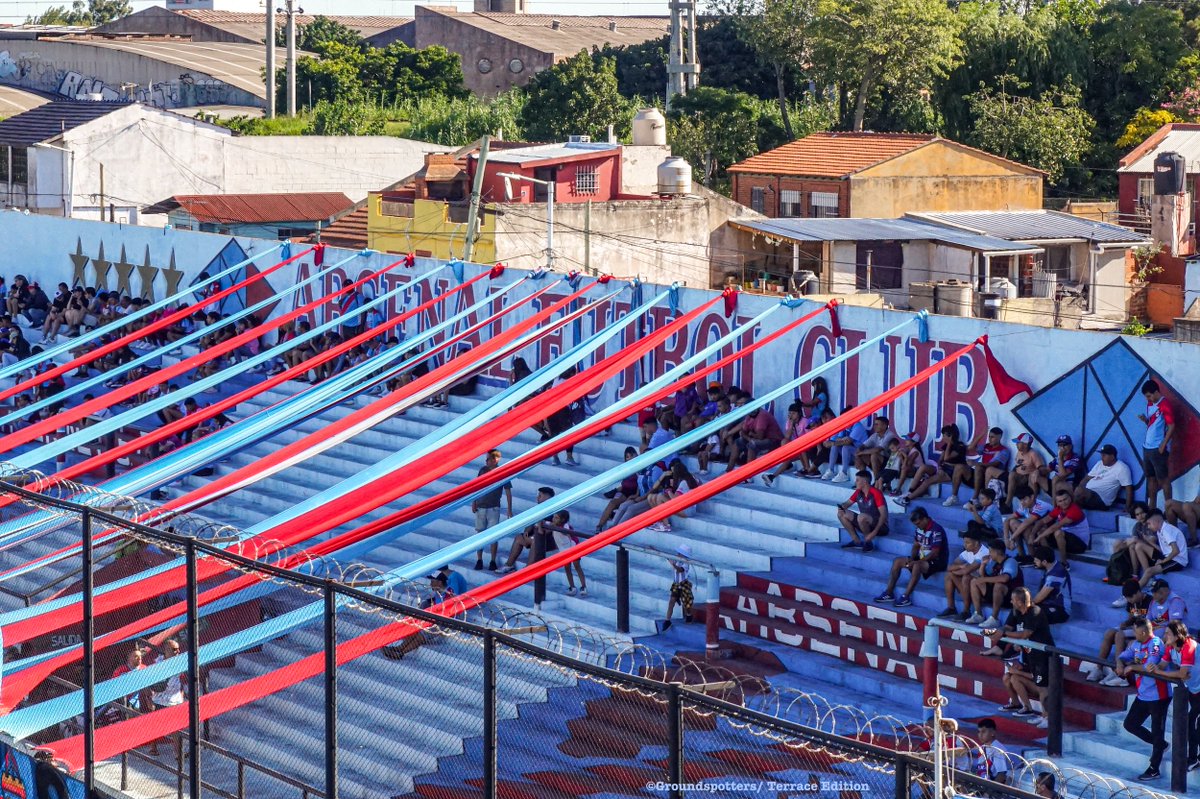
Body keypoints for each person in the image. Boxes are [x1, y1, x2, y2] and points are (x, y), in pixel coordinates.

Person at [1116, 617, 1172, 781]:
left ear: (1142, 631)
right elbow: (1122, 656)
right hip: (1143, 694)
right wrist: (1120, 663)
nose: (1133, 634)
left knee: (1157, 731)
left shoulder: (1155, 644)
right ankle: (1161, 744)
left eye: (1135, 631)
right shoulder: (1136, 644)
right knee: (1130, 724)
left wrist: (1132, 666)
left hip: (1159, 696)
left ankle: (1154, 768)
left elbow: (1151, 666)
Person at [989, 586, 1053, 728]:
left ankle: (1048, 717)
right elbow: (1017, 634)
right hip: (1032, 655)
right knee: (1039, 686)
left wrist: (1004, 635)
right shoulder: (1019, 614)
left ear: (1019, 601)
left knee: (1043, 688)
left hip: (1043, 657)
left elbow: (1025, 634)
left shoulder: (1035, 612)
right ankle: (1043, 715)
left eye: (1013, 600)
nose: (1011, 602)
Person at [1152, 619, 1200, 772]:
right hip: (1194, 688)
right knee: (1193, 723)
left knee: (1191, 721)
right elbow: (1162, 666)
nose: (1165, 636)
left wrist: (1160, 672)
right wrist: (1155, 666)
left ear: (1177, 635)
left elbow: (1182, 673)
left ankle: (1193, 759)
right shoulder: (1170, 647)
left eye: (1168, 633)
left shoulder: (1189, 646)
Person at [874, 508, 946, 607]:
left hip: (937, 561)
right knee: (897, 561)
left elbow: (935, 553)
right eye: (916, 524)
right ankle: (889, 592)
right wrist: (912, 558)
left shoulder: (936, 530)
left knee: (916, 565)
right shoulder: (919, 529)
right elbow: (916, 545)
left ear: (925, 519)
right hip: (922, 558)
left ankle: (906, 597)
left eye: (918, 523)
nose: (917, 526)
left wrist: (917, 561)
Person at [1086, 579, 1152, 687]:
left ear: (1138, 592)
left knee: (1119, 635)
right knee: (1109, 633)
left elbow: (1149, 624)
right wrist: (1125, 623)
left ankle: (1119, 671)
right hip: (1133, 628)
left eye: (1131, 597)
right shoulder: (1132, 603)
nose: (1129, 600)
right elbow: (1131, 618)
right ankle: (1099, 668)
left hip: (1143, 631)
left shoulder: (1150, 602)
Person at [895, 425, 967, 507]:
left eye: (944, 435)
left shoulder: (960, 446)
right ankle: (910, 492)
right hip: (943, 469)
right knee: (924, 472)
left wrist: (950, 443)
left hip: (952, 472)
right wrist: (940, 467)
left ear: (950, 436)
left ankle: (907, 499)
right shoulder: (946, 446)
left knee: (927, 482)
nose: (943, 437)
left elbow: (947, 458)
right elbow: (940, 460)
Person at [472, 449, 512, 572]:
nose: (486, 461)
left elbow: (508, 491)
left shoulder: (502, 472)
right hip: (481, 506)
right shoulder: (483, 470)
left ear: (495, 460)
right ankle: (479, 559)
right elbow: (476, 486)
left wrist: (509, 509)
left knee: (493, 536)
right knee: (480, 534)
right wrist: (474, 502)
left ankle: (492, 560)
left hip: (494, 507)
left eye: (488, 459)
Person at [966, 539, 1021, 628]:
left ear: (997, 552)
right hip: (995, 595)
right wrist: (983, 564)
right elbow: (982, 576)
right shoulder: (993, 562)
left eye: (990, 551)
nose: (989, 554)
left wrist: (984, 579)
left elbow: (1004, 578)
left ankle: (994, 618)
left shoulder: (1011, 561)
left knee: (999, 585)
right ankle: (978, 614)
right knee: (974, 581)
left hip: (1010, 597)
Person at [499, 486, 555, 572]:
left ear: (547, 497)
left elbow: (551, 529)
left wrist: (539, 527)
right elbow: (530, 523)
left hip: (547, 540)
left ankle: (528, 568)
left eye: (540, 495)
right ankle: (509, 565)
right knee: (519, 538)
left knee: (536, 541)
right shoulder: (536, 509)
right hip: (534, 536)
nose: (537, 497)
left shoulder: (555, 511)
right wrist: (527, 531)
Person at [1140, 380, 1175, 508]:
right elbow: (1153, 424)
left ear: (1156, 392)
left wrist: (1163, 445)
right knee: (1150, 478)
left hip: (1157, 448)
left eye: (1149, 396)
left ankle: (1169, 510)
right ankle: (1152, 508)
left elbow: (1171, 426)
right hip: (1147, 447)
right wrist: (1146, 420)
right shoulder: (1150, 403)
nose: (1147, 399)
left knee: (1163, 480)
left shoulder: (1165, 404)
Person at [148, 639, 185, 757]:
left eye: (178, 649)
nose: (178, 651)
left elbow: (182, 680)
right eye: (174, 650)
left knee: (176, 728)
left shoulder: (180, 662)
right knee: (155, 726)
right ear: (166, 651)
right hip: (160, 699)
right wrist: (149, 698)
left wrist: (181, 694)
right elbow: (147, 683)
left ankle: (178, 753)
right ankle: (153, 749)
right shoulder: (157, 665)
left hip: (175, 701)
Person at [1135, 509, 1190, 588]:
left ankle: (1132, 594)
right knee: (1139, 546)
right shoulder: (1160, 531)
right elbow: (1164, 550)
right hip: (1168, 556)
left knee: (1148, 571)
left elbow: (1175, 551)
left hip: (1177, 560)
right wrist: (1150, 542)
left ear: (1156, 521)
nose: (1148, 526)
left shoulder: (1167, 530)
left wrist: (1162, 562)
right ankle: (1148, 579)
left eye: (1149, 523)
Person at [1032, 490, 1090, 564]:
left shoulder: (1075, 510)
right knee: (1041, 530)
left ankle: (1064, 563)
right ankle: (1048, 559)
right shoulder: (1059, 509)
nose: (1063, 502)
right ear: (1057, 503)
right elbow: (1042, 521)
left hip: (1080, 544)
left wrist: (1039, 537)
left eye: (1065, 499)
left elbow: (1056, 526)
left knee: (1058, 532)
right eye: (1060, 501)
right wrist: (1032, 534)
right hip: (1066, 539)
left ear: (1070, 498)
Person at [836, 470, 889, 552]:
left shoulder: (876, 493)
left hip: (881, 527)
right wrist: (842, 507)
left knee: (861, 517)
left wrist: (874, 533)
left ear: (864, 482)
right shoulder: (858, 492)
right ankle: (856, 541)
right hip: (864, 522)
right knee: (841, 514)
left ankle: (868, 542)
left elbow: (883, 515)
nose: (855, 482)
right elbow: (847, 503)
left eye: (857, 480)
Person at [939, 529, 986, 618]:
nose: (964, 545)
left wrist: (958, 570)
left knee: (966, 577)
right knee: (949, 575)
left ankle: (966, 611)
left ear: (976, 543)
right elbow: (948, 567)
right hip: (968, 587)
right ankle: (951, 608)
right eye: (964, 542)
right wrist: (960, 566)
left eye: (967, 543)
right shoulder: (966, 553)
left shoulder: (984, 553)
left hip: (982, 590)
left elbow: (966, 571)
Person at [960, 427, 1012, 508]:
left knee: (978, 467)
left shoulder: (1004, 450)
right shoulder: (986, 446)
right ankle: (973, 499)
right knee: (962, 467)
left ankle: (975, 498)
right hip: (982, 474)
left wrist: (976, 463)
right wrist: (982, 435)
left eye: (993, 437)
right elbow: (971, 448)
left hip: (994, 477)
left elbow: (995, 464)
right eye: (989, 436)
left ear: (999, 437)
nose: (990, 439)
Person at [1075, 444, 1134, 511]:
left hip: (1102, 500)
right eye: (1101, 455)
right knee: (1067, 490)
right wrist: (1081, 487)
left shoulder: (1122, 468)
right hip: (1088, 495)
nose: (1101, 457)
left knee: (1077, 492)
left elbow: (1128, 488)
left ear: (1112, 457)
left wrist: (1127, 507)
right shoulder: (1099, 463)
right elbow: (1087, 478)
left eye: (1104, 455)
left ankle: (1072, 513)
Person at [728, 401, 783, 472]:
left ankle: (748, 475)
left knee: (752, 444)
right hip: (758, 438)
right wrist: (749, 437)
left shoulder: (762, 415)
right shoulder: (749, 415)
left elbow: (760, 436)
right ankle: (728, 470)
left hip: (774, 441)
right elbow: (743, 432)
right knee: (738, 441)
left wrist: (750, 436)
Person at [1004, 486, 1052, 564]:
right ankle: (1022, 555)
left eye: (1025, 499)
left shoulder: (1040, 506)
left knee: (1026, 527)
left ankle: (1032, 557)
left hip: (1049, 532)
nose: (1022, 502)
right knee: (1012, 522)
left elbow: (1026, 523)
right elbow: (1007, 520)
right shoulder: (1024, 506)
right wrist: (1006, 539)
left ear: (1032, 497)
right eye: (1020, 500)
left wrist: (1011, 539)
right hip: (1036, 530)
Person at [822, 408, 869, 483]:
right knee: (835, 446)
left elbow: (848, 442)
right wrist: (840, 440)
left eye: (845, 417)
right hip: (850, 455)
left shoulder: (858, 426)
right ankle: (831, 470)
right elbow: (838, 439)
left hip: (860, 456)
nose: (843, 419)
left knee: (845, 447)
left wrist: (836, 442)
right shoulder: (845, 425)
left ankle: (844, 473)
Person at [547, 510, 587, 597]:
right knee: (567, 568)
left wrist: (554, 527)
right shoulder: (552, 525)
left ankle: (583, 586)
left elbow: (564, 532)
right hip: (563, 550)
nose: (554, 519)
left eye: (556, 518)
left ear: (563, 519)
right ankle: (572, 587)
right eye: (554, 517)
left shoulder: (566, 526)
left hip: (573, 548)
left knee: (577, 566)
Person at [1031, 546, 1071, 624]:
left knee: (1032, 614)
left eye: (1036, 560)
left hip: (1061, 609)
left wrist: (1027, 604)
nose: (1034, 561)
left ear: (1044, 562)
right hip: (1048, 603)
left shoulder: (1056, 573)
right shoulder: (1052, 567)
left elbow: (1040, 597)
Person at [658, 543, 694, 632]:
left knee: (686, 603)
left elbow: (680, 570)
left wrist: (673, 565)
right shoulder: (676, 560)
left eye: (680, 553)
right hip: (676, 584)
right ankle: (667, 620)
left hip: (684, 584)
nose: (678, 554)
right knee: (671, 601)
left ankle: (689, 615)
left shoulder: (686, 563)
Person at [969, 718, 1011, 784]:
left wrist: (988, 791)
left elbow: (1001, 775)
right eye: (979, 732)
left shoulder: (997, 750)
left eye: (983, 732)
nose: (980, 735)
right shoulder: (983, 747)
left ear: (992, 733)